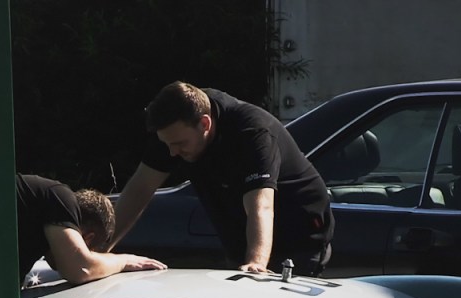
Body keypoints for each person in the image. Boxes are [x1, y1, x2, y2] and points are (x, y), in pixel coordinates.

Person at [108, 81, 334, 276]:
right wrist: (100, 252)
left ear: (205, 124)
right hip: (239, 233)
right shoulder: (174, 130)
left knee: (267, 297)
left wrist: (255, 263)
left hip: (298, 233)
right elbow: (140, 189)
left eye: (179, 144)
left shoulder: (252, 132)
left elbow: (261, 206)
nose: (172, 153)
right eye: (167, 144)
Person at [16, 173, 166, 285]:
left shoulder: (33, 215)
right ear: (87, 238)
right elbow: (80, 269)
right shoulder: (58, 195)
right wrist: (124, 261)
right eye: (89, 251)